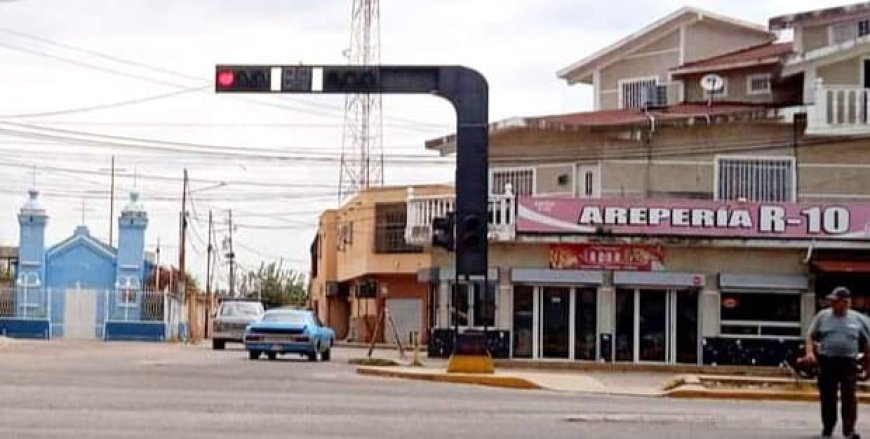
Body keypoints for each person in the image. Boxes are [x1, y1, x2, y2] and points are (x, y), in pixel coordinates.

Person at [803, 286, 870, 439]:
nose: (832, 303)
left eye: (836, 301)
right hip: (828, 362)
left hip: (849, 363)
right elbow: (810, 335)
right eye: (832, 301)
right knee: (828, 397)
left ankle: (849, 430)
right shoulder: (823, 316)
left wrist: (868, 364)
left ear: (846, 303)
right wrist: (810, 353)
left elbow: (867, 343)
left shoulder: (858, 319)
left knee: (849, 397)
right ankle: (828, 428)